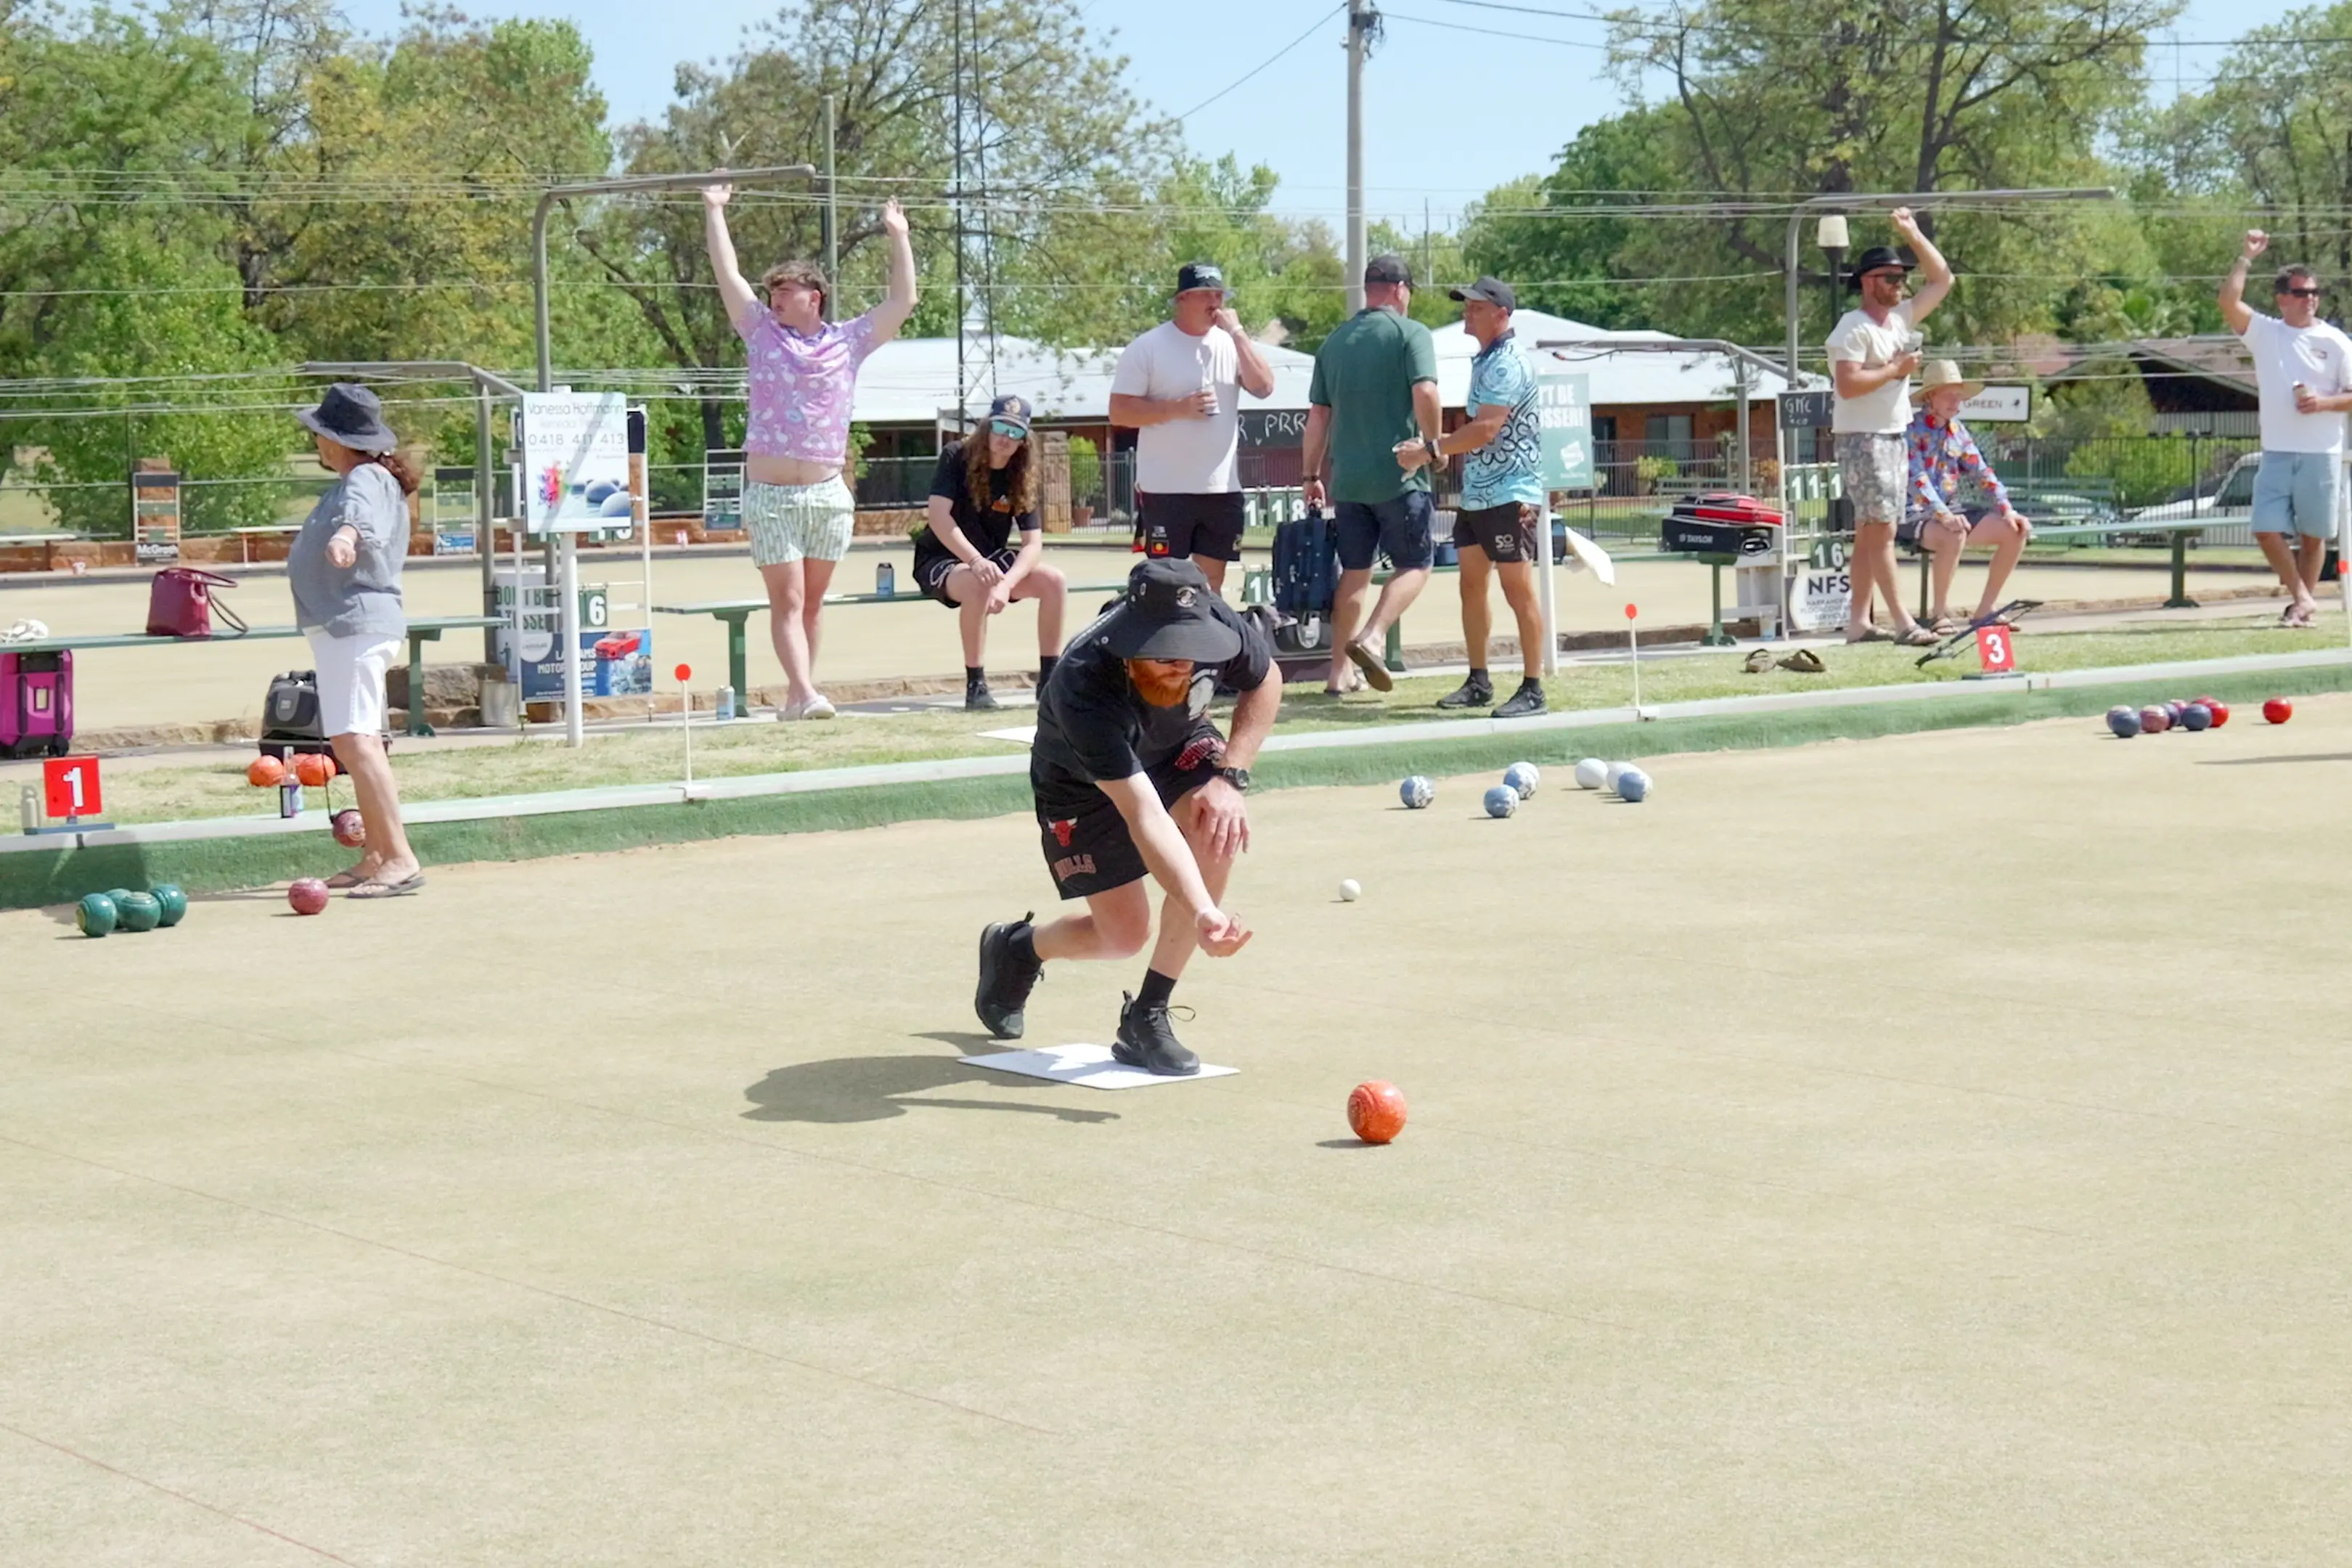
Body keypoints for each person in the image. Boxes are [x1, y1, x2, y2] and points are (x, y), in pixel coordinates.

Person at [972, 559, 1278, 1076]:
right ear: (1133, 643)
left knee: (1215, 826)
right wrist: (1205, 911)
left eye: (1193, 651)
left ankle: (1148, 1015)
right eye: (1165, 656)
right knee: (1123, 936)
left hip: (1178, 745)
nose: (1184, 665)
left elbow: (1267, 678)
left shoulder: (1218, 623)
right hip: (1080, 781)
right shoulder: (1082, 684)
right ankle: (1019, 949)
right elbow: (1145, 815)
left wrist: (1230, 777)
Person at [703, 182, 917, 717]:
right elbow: (727, 275)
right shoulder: (759, 332)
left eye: (786, 291)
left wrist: (899, 236)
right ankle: (802, 692)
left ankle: (802, 692)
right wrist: (715, 210)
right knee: (789, 600)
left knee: (813, 603)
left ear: (813, 298)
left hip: (826, 493)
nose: (774, 298)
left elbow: (903, 300)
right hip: (772, 495)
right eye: (772, 291)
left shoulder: (848, 340)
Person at [288, 383, 422, 899]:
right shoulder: (359, 478)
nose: (315, 443)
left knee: (358, 743)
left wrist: (345, 539)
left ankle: (400, 857)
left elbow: (359, 519)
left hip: (356, 622)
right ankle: (376, 855)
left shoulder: (365, 477)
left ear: (334, 439)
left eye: (319, 434)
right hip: (343, 626)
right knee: (352, 739)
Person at [1404, 276, 1547, 717]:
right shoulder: (1485, 359)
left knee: (1517, 590)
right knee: (1471, 586)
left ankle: (1533, 688)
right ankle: (1479, 680)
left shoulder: (1506, 363)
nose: (1467, 311)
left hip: (1511, 493)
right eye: (1466, 305)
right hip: (1479, 494)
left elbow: (1487, 428)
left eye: (1477, 306)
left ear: (1502, 313)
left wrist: (1429, 451)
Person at [1300, 253, 1442, 695]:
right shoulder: (1410, 334)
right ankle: (1374, 636)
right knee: (1416, 564)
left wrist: (1310, 476)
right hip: (1399, 476)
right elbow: (1426, 391)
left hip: (1348, 481)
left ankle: (1339, 673)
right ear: (1401, 290)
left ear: (1368, 289)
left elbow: (1318, 417)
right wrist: (1433, 447)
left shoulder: (1334, 342)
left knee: (1355, 572)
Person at [1108, 262, 1278, 592]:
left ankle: (1207, 643)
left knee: (1211, 581)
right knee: (1165, 581)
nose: (1215, 302)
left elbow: (1264, 387)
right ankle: (1166, 645)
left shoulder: (1230, 344)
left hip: (1221, 488)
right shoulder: (1148, 347)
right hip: (1166, 488)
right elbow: (1119, 412)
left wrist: (1239, 333)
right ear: (1182, 299)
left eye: (1219, 294)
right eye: (1205, 294)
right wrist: (1177, 409)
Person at [1827, 208, 1952, 648]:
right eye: (1888, 277)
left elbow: (1943, 280)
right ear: (1866, 281)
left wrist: (1912, 232)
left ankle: (1859, 622)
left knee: (1870, 531)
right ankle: (1903, 622)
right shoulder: (1852, 327)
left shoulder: (1899, 319)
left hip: (1893, 435)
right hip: (1864, 438)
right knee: (1880, 530)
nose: (1899, 285)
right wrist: (1898, 369)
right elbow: (1847, 383)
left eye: (1901, 278)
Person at [2218, 230, 2352, 627]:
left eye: (2314, 292)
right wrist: (2246, 257)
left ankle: (2300, 610)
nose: (2310, 298)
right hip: (2276, 450)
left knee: (2314, 538)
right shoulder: (2267, 333)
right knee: (2265, 528)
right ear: (2282, 299)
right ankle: (2303, 597)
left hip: (2322, 452)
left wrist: (2323, 403)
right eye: (2301, 292)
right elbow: (2228, 301)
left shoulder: (2337, 342)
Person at [910, 394, 1069, 711]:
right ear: (986, 426)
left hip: (991, 560)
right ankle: (976, 685)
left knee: (1054, 581)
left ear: (1025, 439)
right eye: (1000, 427)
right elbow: (940, 517)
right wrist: (976, 561)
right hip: (942, 558)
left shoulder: (1022, 473)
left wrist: (1007, 584)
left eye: (1015, 432)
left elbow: (1032, 544)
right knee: (977, 581)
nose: (1005, 439)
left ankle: (1049, 681)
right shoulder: (956, 455)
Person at [1903, 360, 2033, 632]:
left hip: (1953, 511)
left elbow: (1983, 473)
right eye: (1948, 395)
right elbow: (1917, 481)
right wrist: (1945, 516)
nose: (1956, 402)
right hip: (1912, 513)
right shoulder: (1910, 430)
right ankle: (1939, 615)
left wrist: (2007, 509)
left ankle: (1985, 611)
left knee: (2016, 530)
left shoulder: (1958, 431)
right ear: (1930, 396)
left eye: (1959, 395)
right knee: (1954, 533)